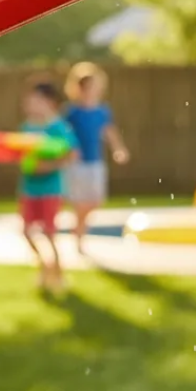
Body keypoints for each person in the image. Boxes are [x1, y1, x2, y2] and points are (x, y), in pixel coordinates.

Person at [17, 78, 76, 296]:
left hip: (50, 189)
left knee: (50, 233)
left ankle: (58, 274)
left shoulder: (58, 127)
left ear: (50, 103)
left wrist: (48, 165)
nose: (30, 105)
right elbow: (23, 155)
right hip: (29, 189)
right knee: (26, 231)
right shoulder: (26, 127)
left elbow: (71, 154)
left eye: (36, 101)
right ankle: (44, 265)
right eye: (29, 101)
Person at [62, 61, 129, 254]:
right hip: (76, 163)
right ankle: (80, 235)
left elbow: (108, 131)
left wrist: (118, 148)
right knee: (80, 200)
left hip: (95, 161)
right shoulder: (72, 112)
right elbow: (64, 134)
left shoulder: (102, 111)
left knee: (96, 200)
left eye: (93, 86)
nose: (90, 90)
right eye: (85, 86)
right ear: (77, 88)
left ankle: (79, 226)